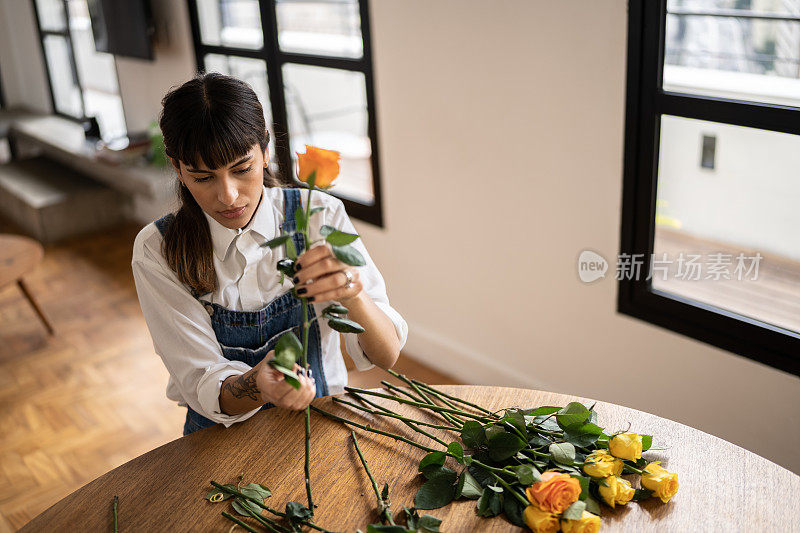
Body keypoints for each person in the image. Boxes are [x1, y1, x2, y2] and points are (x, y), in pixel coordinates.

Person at [131, 73, 407, 436]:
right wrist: (259, 384)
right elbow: (203, 383)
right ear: (178, 169)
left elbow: (384, 357)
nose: (228, 195)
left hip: (321, 421)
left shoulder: (319, 217)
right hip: (217, 439)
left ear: (265, 151)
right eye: (203, 178)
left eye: (241, 169)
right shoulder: (158, 251)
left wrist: (351, 292)